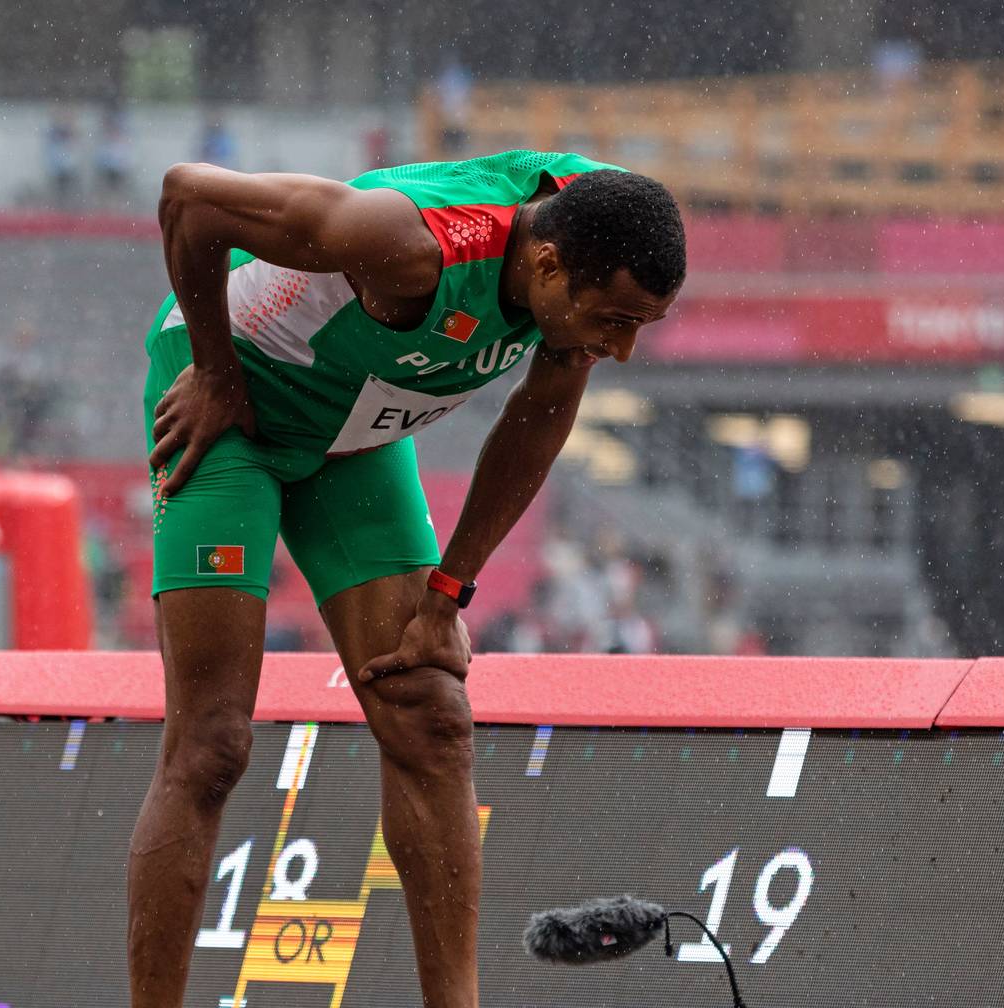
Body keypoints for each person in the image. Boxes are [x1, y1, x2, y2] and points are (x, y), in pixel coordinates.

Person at [128, 150, 685, 1008]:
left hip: (352, 427)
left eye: (641, 326)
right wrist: (212, 368)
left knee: (431, 715)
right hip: (229, 408)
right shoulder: (405, 244)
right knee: (212, 745)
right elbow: (187, 199)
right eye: (613, 321)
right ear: (543, 265)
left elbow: (536, 422)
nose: (622, 348)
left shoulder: (598, 225)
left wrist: (448, 593)